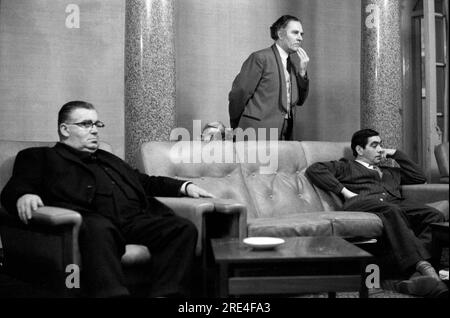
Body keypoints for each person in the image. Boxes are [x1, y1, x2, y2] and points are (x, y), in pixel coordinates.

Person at [0, 101, 215, 298]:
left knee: (181, 228)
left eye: (96, 124)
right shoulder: (40, 157)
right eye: (85, 124)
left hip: (134, 219)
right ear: (65, 129)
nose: (94, 130)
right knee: (99, 228)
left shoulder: (109, 158)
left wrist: (184, 186)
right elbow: (16, 186)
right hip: (91, 219)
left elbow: (145, 181)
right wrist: (24, 194)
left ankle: (167, 295)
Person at [305, 129, 448, 298]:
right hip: (362, 202)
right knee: (391, 210)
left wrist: (395, 154)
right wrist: (345, 192)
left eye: (381, 144)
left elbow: (419, 177)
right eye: (374, 145)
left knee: (433, 215)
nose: (380, 149)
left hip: (393, 204)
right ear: (359, 150)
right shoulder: (347, 166)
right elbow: (315, 169)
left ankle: (414, 277)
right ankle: (425, 268)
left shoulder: (389, 172)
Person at [228, 15, 310, 141]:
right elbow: (239, 93)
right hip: (256, 133)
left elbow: (300, 101)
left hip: (285, 134)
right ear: (280, 34)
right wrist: (237, 125)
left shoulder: (292, 66)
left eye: (301, 34)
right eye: (295, 32)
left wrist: (302, 72)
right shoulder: (260, 58)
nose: (300, 38)